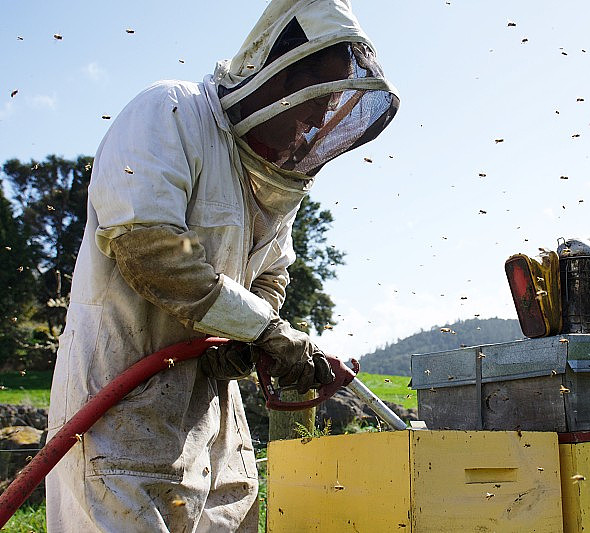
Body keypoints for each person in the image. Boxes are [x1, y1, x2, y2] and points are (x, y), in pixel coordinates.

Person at [45, 0, 399, 530]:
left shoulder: (274, 183)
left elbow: (273, 276)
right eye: (311, 94)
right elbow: (149, 245)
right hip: (118, 413)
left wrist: (247, 340)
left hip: (213, 424)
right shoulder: (170, 112)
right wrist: (262, 330)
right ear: (274, 69)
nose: (314, 117)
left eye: (326, 105)